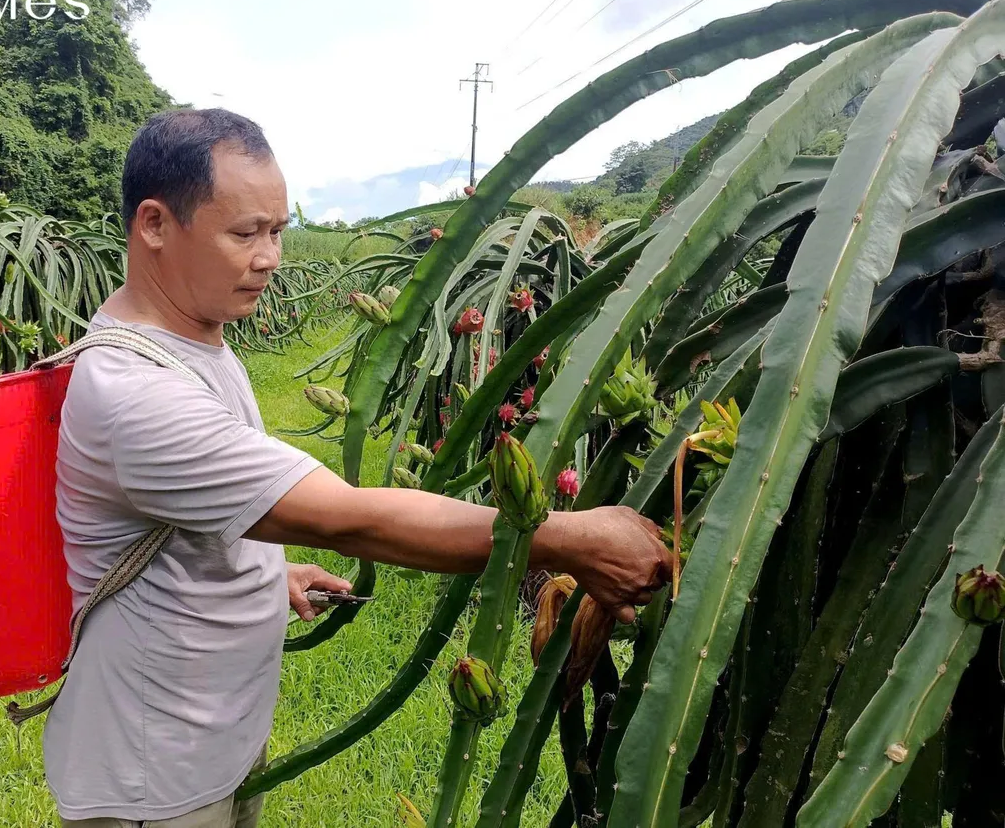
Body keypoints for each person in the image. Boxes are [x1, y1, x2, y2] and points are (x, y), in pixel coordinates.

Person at [44, 107, 673, 828]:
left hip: (204, 743)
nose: (271, 256)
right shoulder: (135, 396)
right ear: (154, 224)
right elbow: (353, 517)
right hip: (149, 782)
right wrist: (570, 537)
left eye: (278, 230)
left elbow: (167, 520)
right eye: (245, 233)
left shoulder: (190, 340)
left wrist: (262, 574)